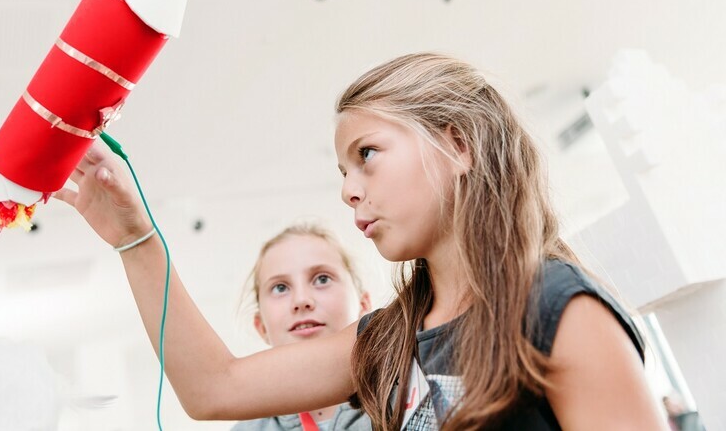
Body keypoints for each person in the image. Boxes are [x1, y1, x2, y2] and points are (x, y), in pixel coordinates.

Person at [57, 52, 668, 430]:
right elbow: (214, 390)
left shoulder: (556, 308)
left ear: (459, 146)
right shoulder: (390, 339)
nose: (349, 190)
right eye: (342, 173)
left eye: (366, 155)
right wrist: (136, 240)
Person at [233, 223, 372, 430]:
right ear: (261, 326)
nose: (301, 300)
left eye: (322, 279)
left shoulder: (408, 401)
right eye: (280, 287)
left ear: (363, 307)